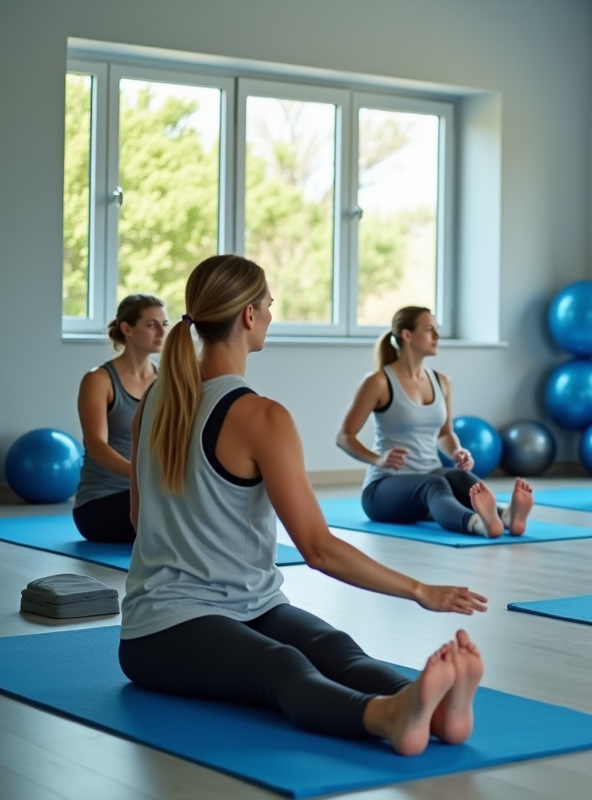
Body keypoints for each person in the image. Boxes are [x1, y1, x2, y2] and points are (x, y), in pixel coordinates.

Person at [119, 256, 487, 756]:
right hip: (164, 630)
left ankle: (435, 710)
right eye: (269, 306)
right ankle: (390, 716)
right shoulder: (261, 416)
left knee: (335, 649)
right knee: (283, 668)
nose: (270, 315)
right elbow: (317, 548)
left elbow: (141, 521)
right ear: (249, 316)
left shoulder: (153, 401)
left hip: (251, 604)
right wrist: (420, 589)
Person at [338, 306, 534, 538]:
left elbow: (445, 433)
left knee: (462, 479)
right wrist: (378, 458)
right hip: (383, 489)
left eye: (437, 329)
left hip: (429, 473)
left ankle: (505, 516)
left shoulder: (441, 381)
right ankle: (477, 523)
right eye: (429, 329)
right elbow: (344, 437)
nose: (437, 336)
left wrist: (457, 451)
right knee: (434, 485)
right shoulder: (379, 382)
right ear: (407, 335)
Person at [73, 294, 166, 543]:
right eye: (151, 324)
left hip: (149, 493)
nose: (161, 332)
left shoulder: (165, 380)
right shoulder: (99, 380)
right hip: (100, 503)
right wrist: (146, 475)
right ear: (127, 329)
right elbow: (97, 448)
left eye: (164, 325)